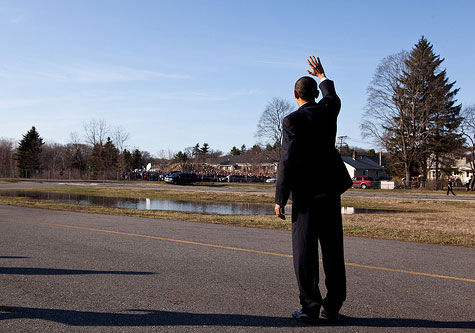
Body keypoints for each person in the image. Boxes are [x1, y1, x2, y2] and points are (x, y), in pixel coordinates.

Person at [274, 56, 352, 324]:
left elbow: (287, 160)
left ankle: (310, 308)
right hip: (330, 193)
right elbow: (332, 96)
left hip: (305, 197)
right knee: (333, 251)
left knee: (305, 253)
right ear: (315, 94)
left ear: (295, 95)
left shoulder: (292, 121)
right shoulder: (328, 110)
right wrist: (322, 75)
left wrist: (280, 198)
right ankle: (333, 306)